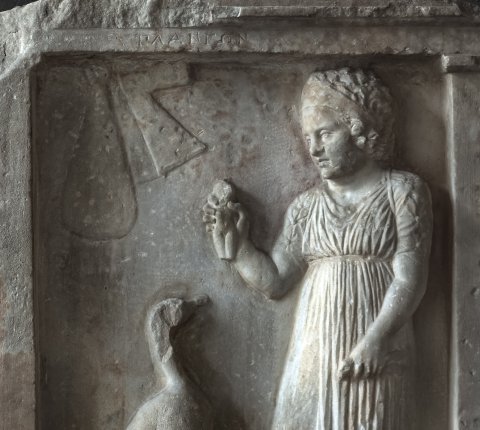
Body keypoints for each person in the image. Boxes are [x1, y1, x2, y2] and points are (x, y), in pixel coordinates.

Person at [203, 68, 432, 430]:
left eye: (325, 134)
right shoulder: (306, 206)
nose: (314, 149)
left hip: (376, 338)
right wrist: (239, 246)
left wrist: (377, 339)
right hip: (315, 344)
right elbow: (276, 281)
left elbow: (409, 278)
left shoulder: (402, 190)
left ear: (359, 131)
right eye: (308, 137)